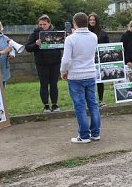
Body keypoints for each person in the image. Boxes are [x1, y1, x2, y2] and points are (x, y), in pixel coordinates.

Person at [61, 12, 100, 143]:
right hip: (90, 73)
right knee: (93, 104)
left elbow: (66, 59)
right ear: (87, 22)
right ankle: (95, 133)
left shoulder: (70, 39)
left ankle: (84, 136)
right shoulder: (94, 36)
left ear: (74, 23)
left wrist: (63, 71)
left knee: (80, 106)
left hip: (76, 75)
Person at [25, 14, 63, 113]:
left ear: (49, 24)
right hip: (41, 63)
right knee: (44, 84)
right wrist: (36, 44)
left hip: (55, 62)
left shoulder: (56, 32)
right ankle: (46, 105)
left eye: (44, 24)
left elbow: (62, 45)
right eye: (40, 24)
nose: (42, 26)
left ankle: (55, 104)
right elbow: (28, 47)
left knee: (54, 84)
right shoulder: (35, 33)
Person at [88, 13, 110, 108]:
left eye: (94, 20)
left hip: (100, 61)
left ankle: (101, 100)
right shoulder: (85, 32)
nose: (92, 21)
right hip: (88, 61)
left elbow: (108, 46)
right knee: (90, 82)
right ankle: (90, 101)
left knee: (100, 81)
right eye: (90, 20)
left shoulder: (103, 33)